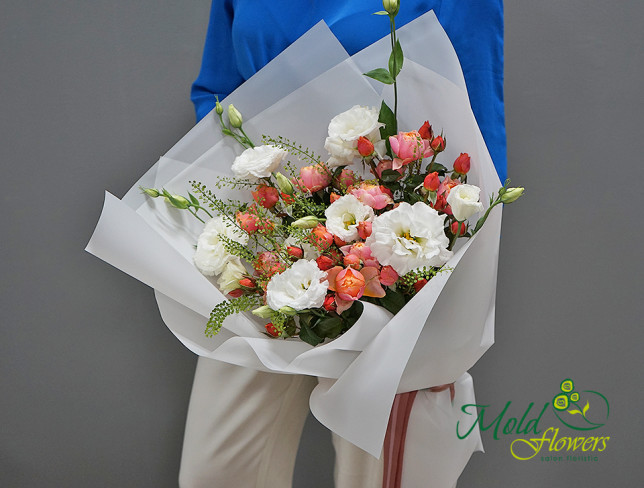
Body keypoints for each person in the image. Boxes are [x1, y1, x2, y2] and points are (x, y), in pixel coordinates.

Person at [179, 1, 506, 487]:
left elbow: (474, 122)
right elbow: (218, 91)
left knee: (379, 476)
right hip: (271, 246)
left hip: (391, 258)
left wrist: (448, 289)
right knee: (217, 473)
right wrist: (254, 191)